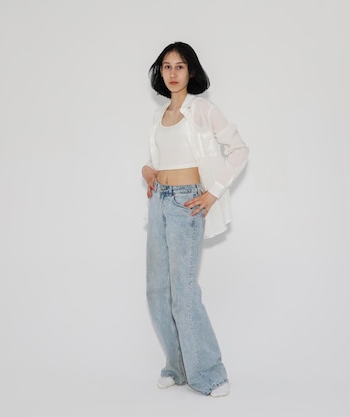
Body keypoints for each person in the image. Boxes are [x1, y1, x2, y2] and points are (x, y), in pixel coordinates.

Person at [141, 41, 249, 398]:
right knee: (158, 291)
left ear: (192, 72)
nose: (172, 73)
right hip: (160, 202)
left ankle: (211, 374)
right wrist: (149, 172)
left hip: (188, 204)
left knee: (184, 292)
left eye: (180, 66)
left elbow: (239, 150)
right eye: (167, 67)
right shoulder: (159, 116)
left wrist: (213, 191)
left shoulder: (202, 110)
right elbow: (161, 161)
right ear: (160, 73)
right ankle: (178, 366)